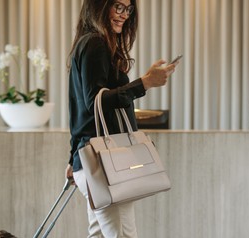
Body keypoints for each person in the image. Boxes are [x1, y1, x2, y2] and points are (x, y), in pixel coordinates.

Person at [65, 0, 178, 237]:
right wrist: (144, 83)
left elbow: (81, 111)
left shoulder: (89, 43)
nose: (124, 14)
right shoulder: (95, 43)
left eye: (128, 9)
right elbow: (96, 103)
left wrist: (74, 158)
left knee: (98, 233)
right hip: (105, 166)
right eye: (118, 6)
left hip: (94, 163)